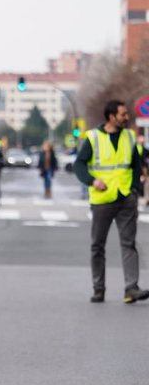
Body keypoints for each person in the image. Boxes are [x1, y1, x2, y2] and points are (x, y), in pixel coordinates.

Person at [73, 100, 149, 304]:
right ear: (111, 117)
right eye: (123, 114)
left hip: (126, 197)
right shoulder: (93, 137)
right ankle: (99, 289)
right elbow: (79, 165)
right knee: (98, 245)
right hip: (102, 199)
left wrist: (134, 188)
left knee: (129, 243)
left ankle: (131, 288)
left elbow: (136, 164)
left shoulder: (129, 137)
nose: (127, 117)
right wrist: (92, 181)